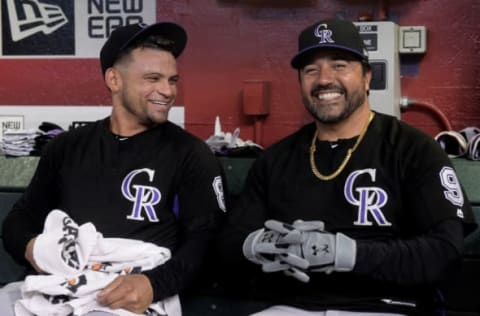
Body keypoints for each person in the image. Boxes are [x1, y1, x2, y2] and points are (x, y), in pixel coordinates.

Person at [217, 19, 478, 315]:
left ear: (367, 77)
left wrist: (349, 254)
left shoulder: (413, 149)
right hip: (291, 307)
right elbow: (227, 245)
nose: (324, 79)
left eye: (340, 65)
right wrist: (257, 245)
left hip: (386, 308)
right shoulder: (275, 159)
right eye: (311, 70)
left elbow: (445, 252)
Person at [1, 22, 226, 315]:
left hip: (133, 295)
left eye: (172, 80)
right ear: (114, 80)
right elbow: (19, 220)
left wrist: (153, 284)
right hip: (63, 285)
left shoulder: (190, 153)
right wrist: (33, 248)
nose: (167, 91)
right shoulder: (67, 147)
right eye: (153, 78)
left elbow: (207, 242)